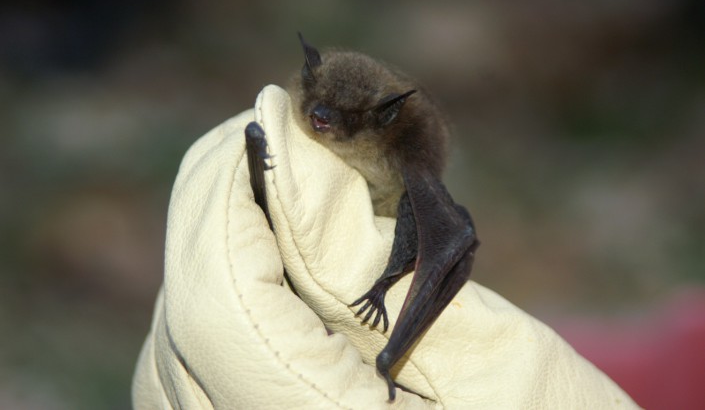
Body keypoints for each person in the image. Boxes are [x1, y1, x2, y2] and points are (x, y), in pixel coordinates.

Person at [132, 85, 638, 409]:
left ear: (377, 124)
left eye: (340, 119)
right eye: (319, 111)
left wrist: (383, 287)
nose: (325, 122)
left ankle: (392, 334)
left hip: (399, 210)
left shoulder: (404, 159)